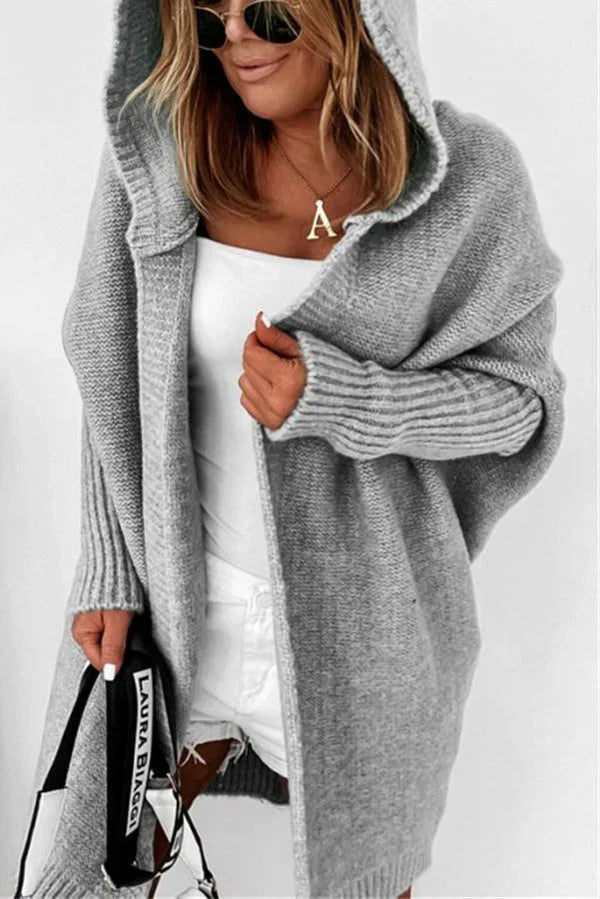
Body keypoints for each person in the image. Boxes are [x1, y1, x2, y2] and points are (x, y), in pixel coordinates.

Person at [14, 0, 566, 897]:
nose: (236, 40)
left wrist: (347, 398)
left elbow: (520, 406)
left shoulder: (469, 180)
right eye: (210, 19)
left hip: (370, 641)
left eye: (268, 14)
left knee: (366, 884)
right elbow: (110, 364)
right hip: (177, 621)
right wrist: (108, 566)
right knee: (91, 875)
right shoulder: (164, 155)